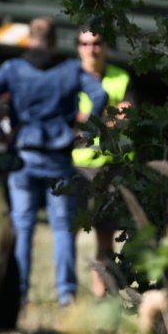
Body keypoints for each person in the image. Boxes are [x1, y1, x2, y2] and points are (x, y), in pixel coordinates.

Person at [0, 18, 108, 310]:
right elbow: (99, 94)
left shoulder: (14, 68)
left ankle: (19, 293)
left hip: (23, 155)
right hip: (59, 158)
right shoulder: (70, 69)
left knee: (23, 227)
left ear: (30, 40)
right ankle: (66, 294)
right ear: (54, 40)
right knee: (62, 227)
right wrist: (85, 133)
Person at [70, 29, 134, 297]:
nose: (91, 49)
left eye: (97, 43)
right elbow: (67, 115)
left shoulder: (121, 77)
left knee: (106, 234)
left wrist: (88, 118)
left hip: (111, 165)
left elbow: (128, 114)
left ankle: (102, 292)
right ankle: (68, 293)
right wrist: (109, 115)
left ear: (105, 46)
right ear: (78, 47)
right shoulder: (69, 76)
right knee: (69, 231)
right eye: (85, 43)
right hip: (77, 165)